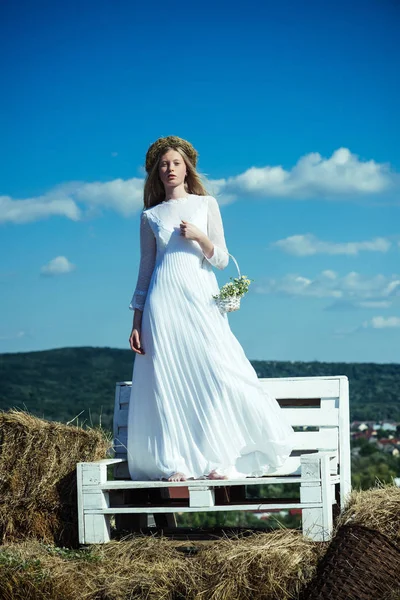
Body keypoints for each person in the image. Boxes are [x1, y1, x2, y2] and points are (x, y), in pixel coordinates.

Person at [127, 135, 296, 482]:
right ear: (156, 173)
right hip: (163, 303)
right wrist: (136, 319)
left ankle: (220, 457)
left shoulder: (206, 204)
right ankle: (176, 463)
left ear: (186, 167)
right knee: (167, 380)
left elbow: (220, 259)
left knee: (218, 371)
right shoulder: (150, 216)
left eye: (175, 163)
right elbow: (145, 270)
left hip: (200, 299)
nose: (169, 169)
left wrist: (200, 237)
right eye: (163, 165)